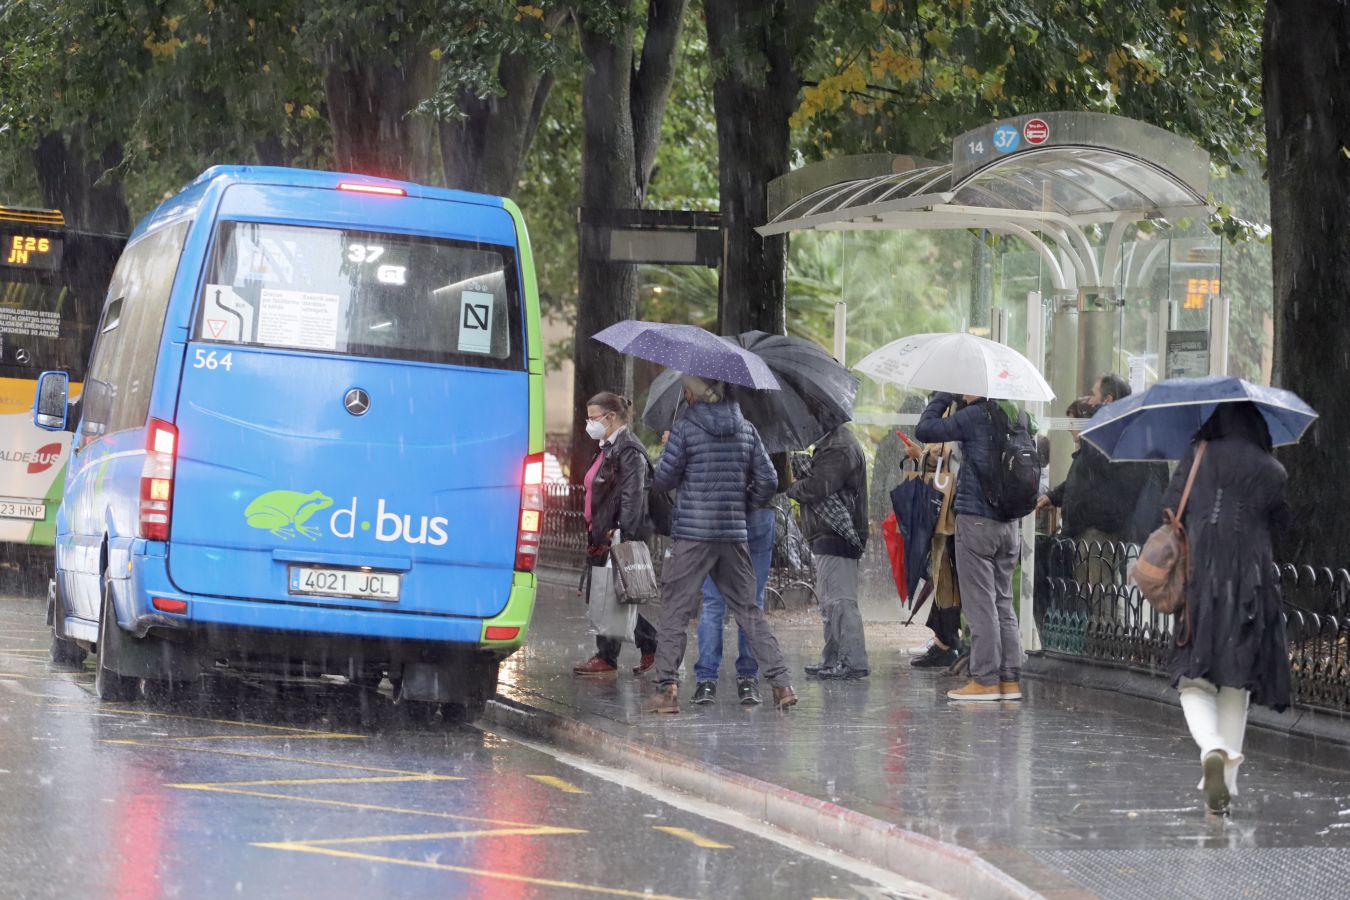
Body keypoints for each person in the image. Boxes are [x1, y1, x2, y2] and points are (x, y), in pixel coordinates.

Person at [1163, 402, 1291, 816]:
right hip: (1253, 583)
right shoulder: (1273, 470)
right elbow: (1285, 525)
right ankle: (1226, 791)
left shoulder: (1198, 455)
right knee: (1237, 683)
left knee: (1194, 681)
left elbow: (1167, 509)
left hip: (1203, 577)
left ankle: (1211, 747)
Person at [642, 374, 797, 713]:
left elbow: (663, 479)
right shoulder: (746, 428)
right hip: (732, 535)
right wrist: (744, 504)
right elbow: (769, 480)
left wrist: (672, 455)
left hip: (693, 535)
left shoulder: (685, 429)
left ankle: (666, 690)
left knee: (675, 610)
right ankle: (782, 684)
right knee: (748, 610)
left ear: (689, 395)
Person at [915, 392, 1026, 702]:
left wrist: (941, 397)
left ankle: (986, 679)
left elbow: (925, 430)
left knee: (981, 604)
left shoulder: (976, 415)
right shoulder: (1017, 415)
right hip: (1009, 524)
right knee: (1003, 601)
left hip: (977, 521)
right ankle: (1009, 680)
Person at [571, 392, 659, 677]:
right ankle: (649, 648)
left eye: (593, 417)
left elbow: (632, 496)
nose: (589, 423)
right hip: (601, 533)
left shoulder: (628, 449)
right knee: (610, 596)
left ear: (610, 417)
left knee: (613, 595)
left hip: (614, 535)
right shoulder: (607, 446)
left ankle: (611, 656)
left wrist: (621, 532)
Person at [692, 442, 785, 706]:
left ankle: (706, 681)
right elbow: (776, 479)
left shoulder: (706, 424)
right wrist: (752, 500)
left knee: (713, 602)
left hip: (719, 517)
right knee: (752, 601)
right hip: (758, 516)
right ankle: (747, 679)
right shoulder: (769, 424)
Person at [791, 423, 871, 679]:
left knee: (840, 600)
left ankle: (852, 661)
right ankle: (834, 658)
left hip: (838, 533)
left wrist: (790, 487)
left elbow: (818, 486)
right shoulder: (832, 442)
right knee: (830, 601)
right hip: (829, 533)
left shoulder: (839, 445)